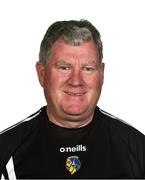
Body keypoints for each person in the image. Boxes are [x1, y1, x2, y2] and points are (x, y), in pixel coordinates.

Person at [0, 20, 145, 179]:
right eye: (64, 68)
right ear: (42, 73)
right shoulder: (6, 149)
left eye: (88, 69)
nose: (76, 81)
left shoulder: (137, 148)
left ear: (101, 75)